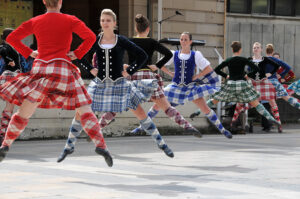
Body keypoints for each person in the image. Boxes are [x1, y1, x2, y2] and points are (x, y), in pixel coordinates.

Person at [0, 0, 113, 167]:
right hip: (64, 69)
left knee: (25, 112)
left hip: (41, 70)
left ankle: (5, 144)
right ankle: (100, 145)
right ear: (60, 2)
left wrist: (29, 52)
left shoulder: (35, 21)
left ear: (44, 2)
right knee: (84, 109)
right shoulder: (70, 19)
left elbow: (12, 37)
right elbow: (90, 37)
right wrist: (78, 53)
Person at [57, 9, 174, 163]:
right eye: (102, 20)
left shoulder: (121, 40)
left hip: (119, 83)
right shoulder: (95, 40)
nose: (105, 23)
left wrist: (129, 71)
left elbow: (142, 56)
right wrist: (91, 69)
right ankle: (69, 146)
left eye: (108, 20)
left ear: (114, 23)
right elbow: (79, 56)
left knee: (139, 112)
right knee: (80, 112)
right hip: (99, 84)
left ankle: (161, 143)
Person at [110, 14, 200, 136]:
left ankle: (97, 128)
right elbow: (169, 54)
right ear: (148, 29)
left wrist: (124, 66)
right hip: (148, 77)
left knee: (117, 103)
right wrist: (157, 65)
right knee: (167, 107)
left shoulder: (129, 41)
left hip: (133, 76)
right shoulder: (152, 42)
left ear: (136, 29)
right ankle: (188, 127)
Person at [133, 32, 232, 139]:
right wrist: (170, 73)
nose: (183, 41)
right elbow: (159, 65)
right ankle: (141, 127)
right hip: (175, 86)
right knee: (157, 103)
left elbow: (208, 68)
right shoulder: (173, 54)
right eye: (182, 39)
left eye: (185, 39)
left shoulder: (196, 55)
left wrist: (197, 76)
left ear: (190, 42)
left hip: (190, 87)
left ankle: (222, 129)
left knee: (205, 108)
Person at [206, 41, 280, 126]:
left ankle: (199, 111)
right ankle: (270, 118)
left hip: (230, 85)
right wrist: (247, 75)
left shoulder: (229, 60)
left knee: (216, 100)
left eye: (257, 47)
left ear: (232, 49)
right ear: (240, 50)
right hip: (242, 84)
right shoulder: (244, 59)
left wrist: (226, 76)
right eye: (255, 47)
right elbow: (256, 69)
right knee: (256, 104)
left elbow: (216, 70)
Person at [0, 28, 28, 144]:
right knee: (11, 106)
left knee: (11, 106)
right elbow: (2, 51)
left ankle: (4, 133)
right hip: (10, 77)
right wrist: (9, 60)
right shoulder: (5, 47)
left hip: (15, 77)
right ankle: (3, 133)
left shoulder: (13, 47)